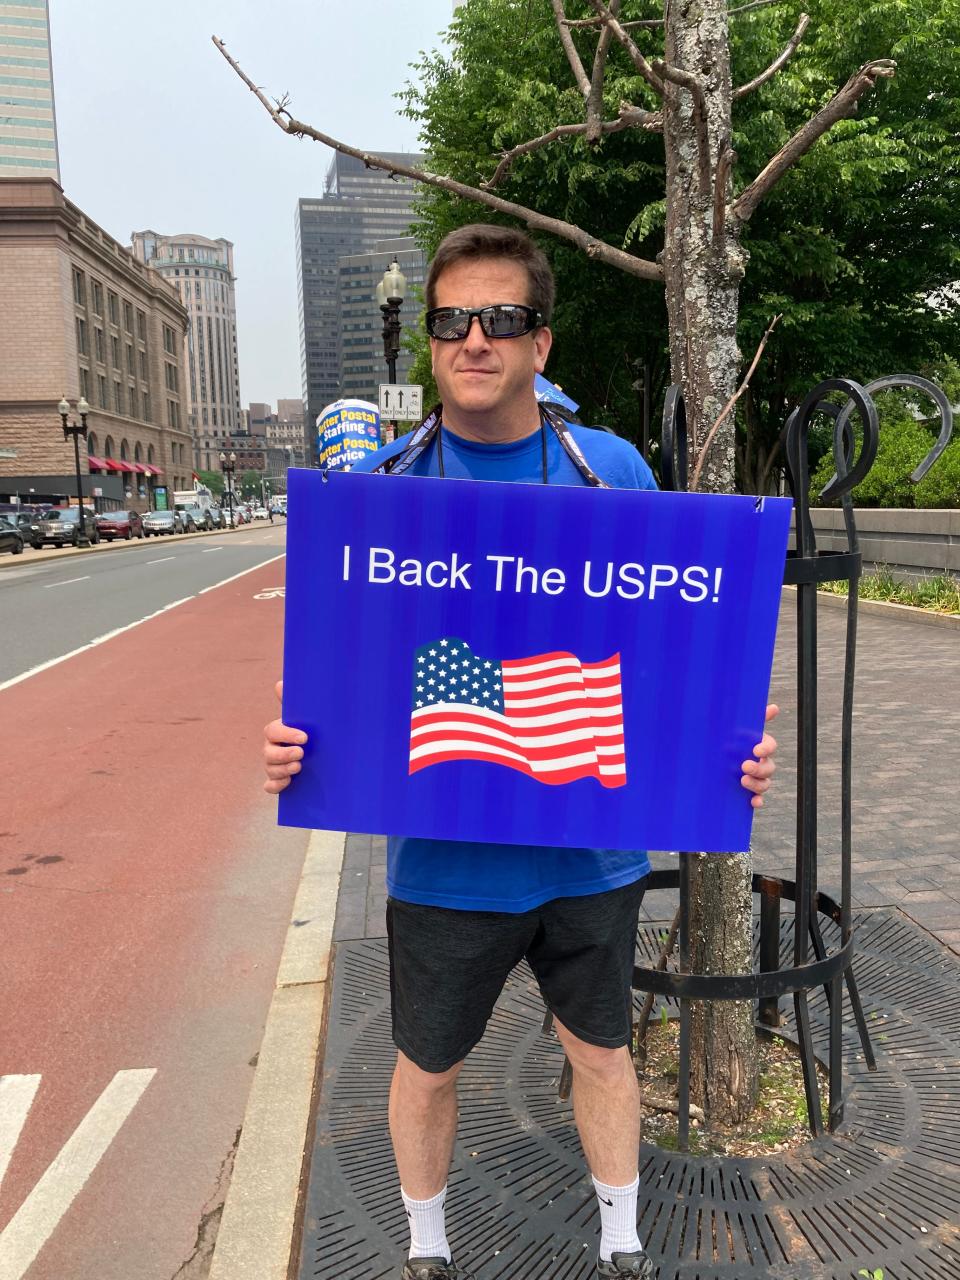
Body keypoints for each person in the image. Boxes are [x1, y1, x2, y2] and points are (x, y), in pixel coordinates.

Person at [263, 225, 779, 1280]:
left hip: (589, 848)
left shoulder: (612, 472)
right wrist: (296, 743)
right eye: (453, 320)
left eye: (501, 319)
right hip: (444, 859)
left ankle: (623, 1239)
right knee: (427, 1062)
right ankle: (425, 1248)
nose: (474, 339)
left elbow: (677, 641)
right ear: (435, 343)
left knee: (601, 1050)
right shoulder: (387, 488)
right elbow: (345, 669)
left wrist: (729, 748)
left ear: (540, 342)